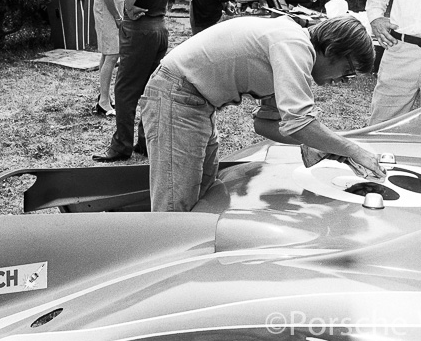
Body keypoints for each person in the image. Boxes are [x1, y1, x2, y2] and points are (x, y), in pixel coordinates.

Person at [139, 14, 385, 212]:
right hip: (177, 95)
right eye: (348, 71)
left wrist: (323, 145)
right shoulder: (294, 45)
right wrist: (353, 149)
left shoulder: (290, 50)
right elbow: (300, 123)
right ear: (332, 50)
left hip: (195, 102)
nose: (341, 81)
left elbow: (265, 125)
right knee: (175, 209)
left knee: (202, 193)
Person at [92, 0, 171, 163]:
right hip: (160, 30)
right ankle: (145, 141)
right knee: (150, 89)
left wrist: (129, 9)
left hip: (141, 32)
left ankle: (121, 146)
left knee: (125, 90)